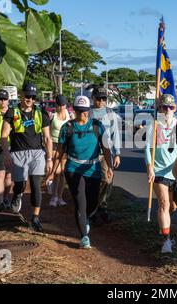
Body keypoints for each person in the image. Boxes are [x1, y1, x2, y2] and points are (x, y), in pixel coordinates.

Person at [47, 96, 114, 249]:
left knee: (92, 203)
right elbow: (60, 152)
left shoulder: (97, 126)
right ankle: (84, 236)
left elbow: (106, 149)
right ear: (74, 110)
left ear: (89, 111)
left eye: (85, 111)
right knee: (80, 201)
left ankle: (86, 220)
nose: (83, 114)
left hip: (93, 168)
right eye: (79, 111)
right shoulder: (68, 127)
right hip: (73, 168)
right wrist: (52, 172)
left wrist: (110, 167)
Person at [1, 83, 53, 232]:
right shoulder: (12, 112)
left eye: (33, 97)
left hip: (37, 153)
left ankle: (35, 218)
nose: (30, 99)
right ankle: (17, 194)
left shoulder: (41, 113)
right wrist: (6, 154)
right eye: (27, 96)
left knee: (36, 184)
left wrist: (49, 159)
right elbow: (4, 136)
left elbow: (48, 138)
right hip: (18, 153)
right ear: (21, 95)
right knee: (20, 184)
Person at [145, 94, 177, 255]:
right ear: (160, 108)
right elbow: (147, 148)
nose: (168, 110)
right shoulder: (154, 125)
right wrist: (149, 167)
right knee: (164, 204)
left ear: (175, 108)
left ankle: (163, 227)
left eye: (171, 107)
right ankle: (166, 240)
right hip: (159, 171)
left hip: (176, 172)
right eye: (164, 107)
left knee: (173, 207)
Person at [89, 85, 121, 224]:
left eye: (104, 99)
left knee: (107, 180)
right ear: (93, 98)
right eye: (99, 98)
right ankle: (93, 210)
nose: (101, 101)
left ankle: (102, 205)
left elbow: (115, 135)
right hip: (89, 154)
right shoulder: (87, 113)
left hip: (105, 153)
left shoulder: (110, 114)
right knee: (91, 182)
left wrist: (117, 153)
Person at [48, 94, 73, 207]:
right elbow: (47, 133)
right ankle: (54, 197)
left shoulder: (70, 115)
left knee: (63, 173)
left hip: (66, 146)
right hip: (55, 146)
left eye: (64, 105)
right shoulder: (52, 116)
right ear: (56, 105)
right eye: (60, 105)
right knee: (56, 172)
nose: (62, 107)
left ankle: (60, 197)